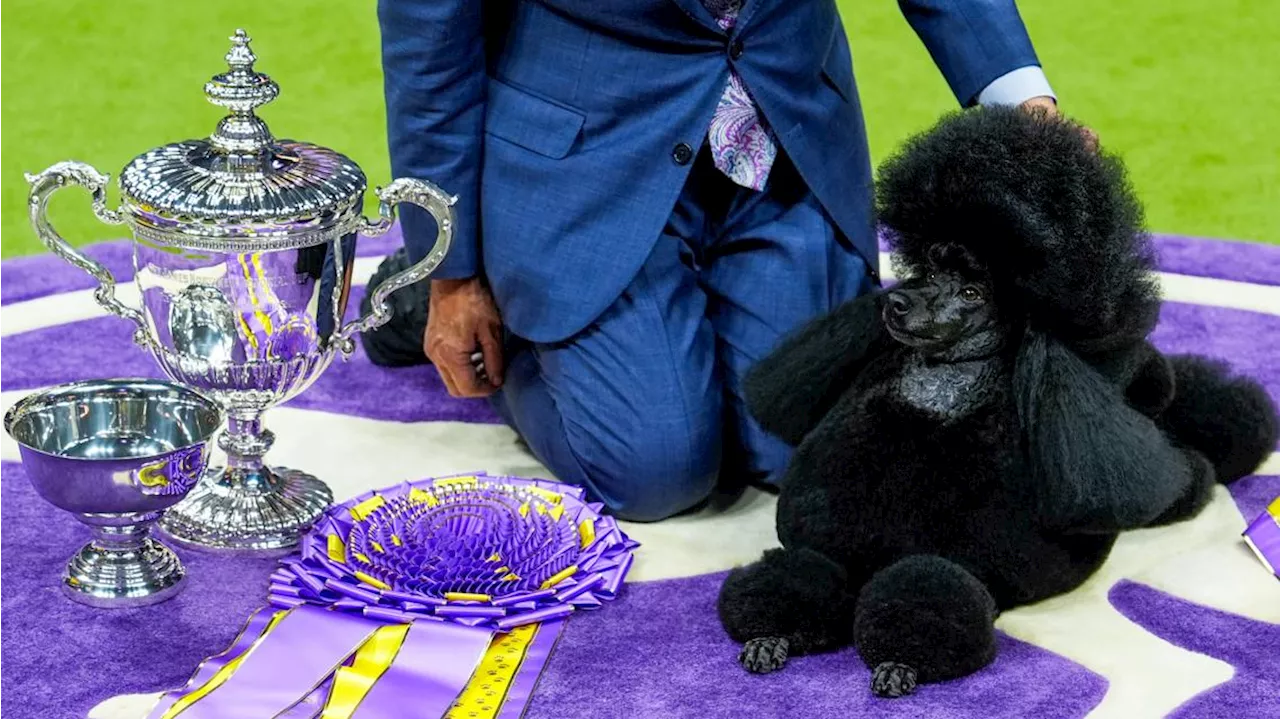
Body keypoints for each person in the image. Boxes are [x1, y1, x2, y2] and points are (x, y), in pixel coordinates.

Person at [372, 0, 1091, 522]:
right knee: (655, 471)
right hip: (589, 164)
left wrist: (1026, 108)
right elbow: (429, 41)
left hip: (784, 138)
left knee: (803, 445)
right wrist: (451, 268)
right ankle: (469, 302)